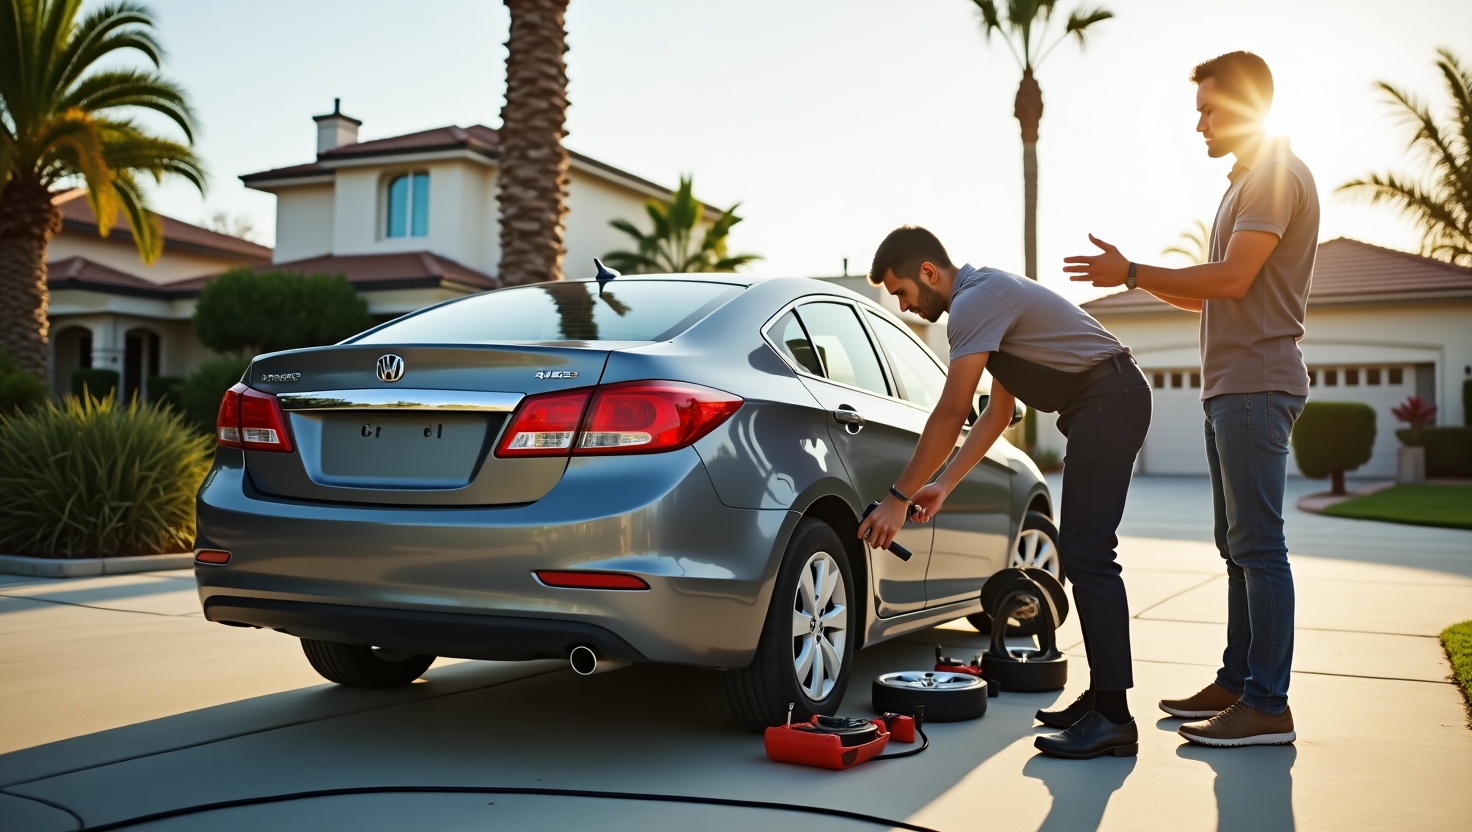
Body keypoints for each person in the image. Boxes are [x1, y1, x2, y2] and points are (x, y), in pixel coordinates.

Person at [1064, 51, 1317, 747]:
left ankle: (1268, 703)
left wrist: (1136, 268)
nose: (1199, 124)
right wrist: (1137, 280)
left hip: (1257, 385)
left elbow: (1233, 280)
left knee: (1259, 547)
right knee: (1237, 547)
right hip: (1232, 388)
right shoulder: (1247, 182)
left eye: (1208, 109)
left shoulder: (1271, 174)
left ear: (1243, 107)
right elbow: (1210, 291)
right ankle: (1238, 683)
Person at [857, 225, 1151, 760]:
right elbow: (997, 413)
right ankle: (1104, 701)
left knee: (1087, 555)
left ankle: (1114, 717)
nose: (902, 305)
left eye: (902, 292)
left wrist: (897, 498)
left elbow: (950, 412)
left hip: (1111, 398)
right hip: (1105, 401)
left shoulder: (975, 302)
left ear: (929, 273)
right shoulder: (984, 301)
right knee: (1085, 554)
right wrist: (942, 483)